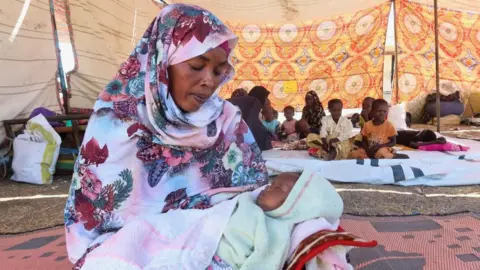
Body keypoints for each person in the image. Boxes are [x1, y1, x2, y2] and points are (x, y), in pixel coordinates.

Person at [64, 4, 268, 269]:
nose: (209, 81)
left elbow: (253, 191)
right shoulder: (116, 120)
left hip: (216, 233)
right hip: (131, 242)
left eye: (218, 71)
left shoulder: (226, 118)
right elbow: (97, 219)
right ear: (162, 61)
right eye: (197, 66)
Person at [215, 171, 343, 270]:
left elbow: (265, 261)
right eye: (272, 184)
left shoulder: (277, 230)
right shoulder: (247, 200)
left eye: (278, 188)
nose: (267, 188)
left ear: (294, 204)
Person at [229, 85, 273, 151]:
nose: (267, 100)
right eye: (266, 97)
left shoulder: (246, 102)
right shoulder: (255, 102)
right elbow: (251, 124)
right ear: (261, 96)